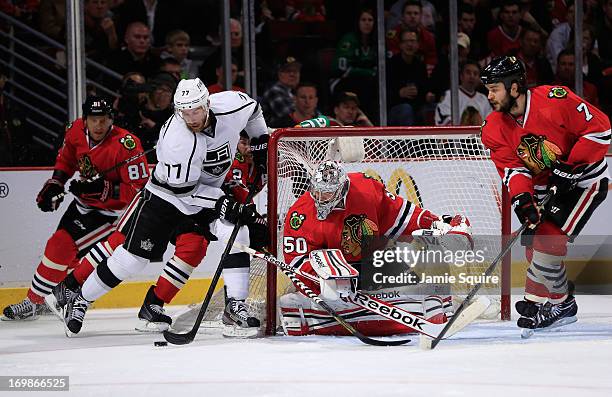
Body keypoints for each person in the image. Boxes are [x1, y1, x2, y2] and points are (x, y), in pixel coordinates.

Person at [62, 78, 270, 336]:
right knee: (131, 260)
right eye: (184, 111)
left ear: (207, 103)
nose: (191, 118)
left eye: (195, 110)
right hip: (166, 197)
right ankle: (81, 299)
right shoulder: (177, 139)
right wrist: (222, 202)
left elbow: (254, 110)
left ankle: (234, 305)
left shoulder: (229, 105)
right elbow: (184, 190)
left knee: (237, 232)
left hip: (206, 193)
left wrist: (261, 140)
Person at [480, 56, 610, 333]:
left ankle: (535, 302)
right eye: (488, 89)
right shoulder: (493, 127)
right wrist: (523, 200)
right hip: (545, 186)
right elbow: (514, 171)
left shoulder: (555, 100)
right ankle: (563, 304)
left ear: (514, 88)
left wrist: (572, 166)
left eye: (495, 89)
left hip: (585, 182)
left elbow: (601, 128)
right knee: (533, 248)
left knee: (548, 237)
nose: (489, 96)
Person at [280, 161, 473, 336]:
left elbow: (403, 216)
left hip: (373, 267)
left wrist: (438, 223)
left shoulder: (365, 189)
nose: (320, 198)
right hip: (336, 279)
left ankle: (433, 307)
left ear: (341, 189)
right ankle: (409, 311)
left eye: (327, 193)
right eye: (317, 191)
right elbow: (298, 264)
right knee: (297, 297)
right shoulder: (300, 214)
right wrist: (326, 284)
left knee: (429, 258)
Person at [2, 96, 149, 320]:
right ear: (85, 119)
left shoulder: (127, 144)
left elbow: (139, 189)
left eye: (103, 120)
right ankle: (49, 298)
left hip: (112, 216)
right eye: (93, 120)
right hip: (82, 205)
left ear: (111, 119)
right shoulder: (75, 131)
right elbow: (66, 160)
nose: (98, 125)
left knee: (60, 246)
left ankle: (36, 301)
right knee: (63, 252)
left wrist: (105, 189)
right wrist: (55, 183)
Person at [435, 60, 492, 126]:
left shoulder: (483, 99)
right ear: (461, 76)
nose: (472, 76)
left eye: (475, 74)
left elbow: (490, 122)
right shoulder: (449, 95)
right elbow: (443, 120)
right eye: (468, 73)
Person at [261, 56, 301, 128]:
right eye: (288, 71)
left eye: (295, 71)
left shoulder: (293, 92)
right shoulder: (274, 91)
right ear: (279, 74)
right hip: (273, 136)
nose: (292, 74)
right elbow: (292, 117)